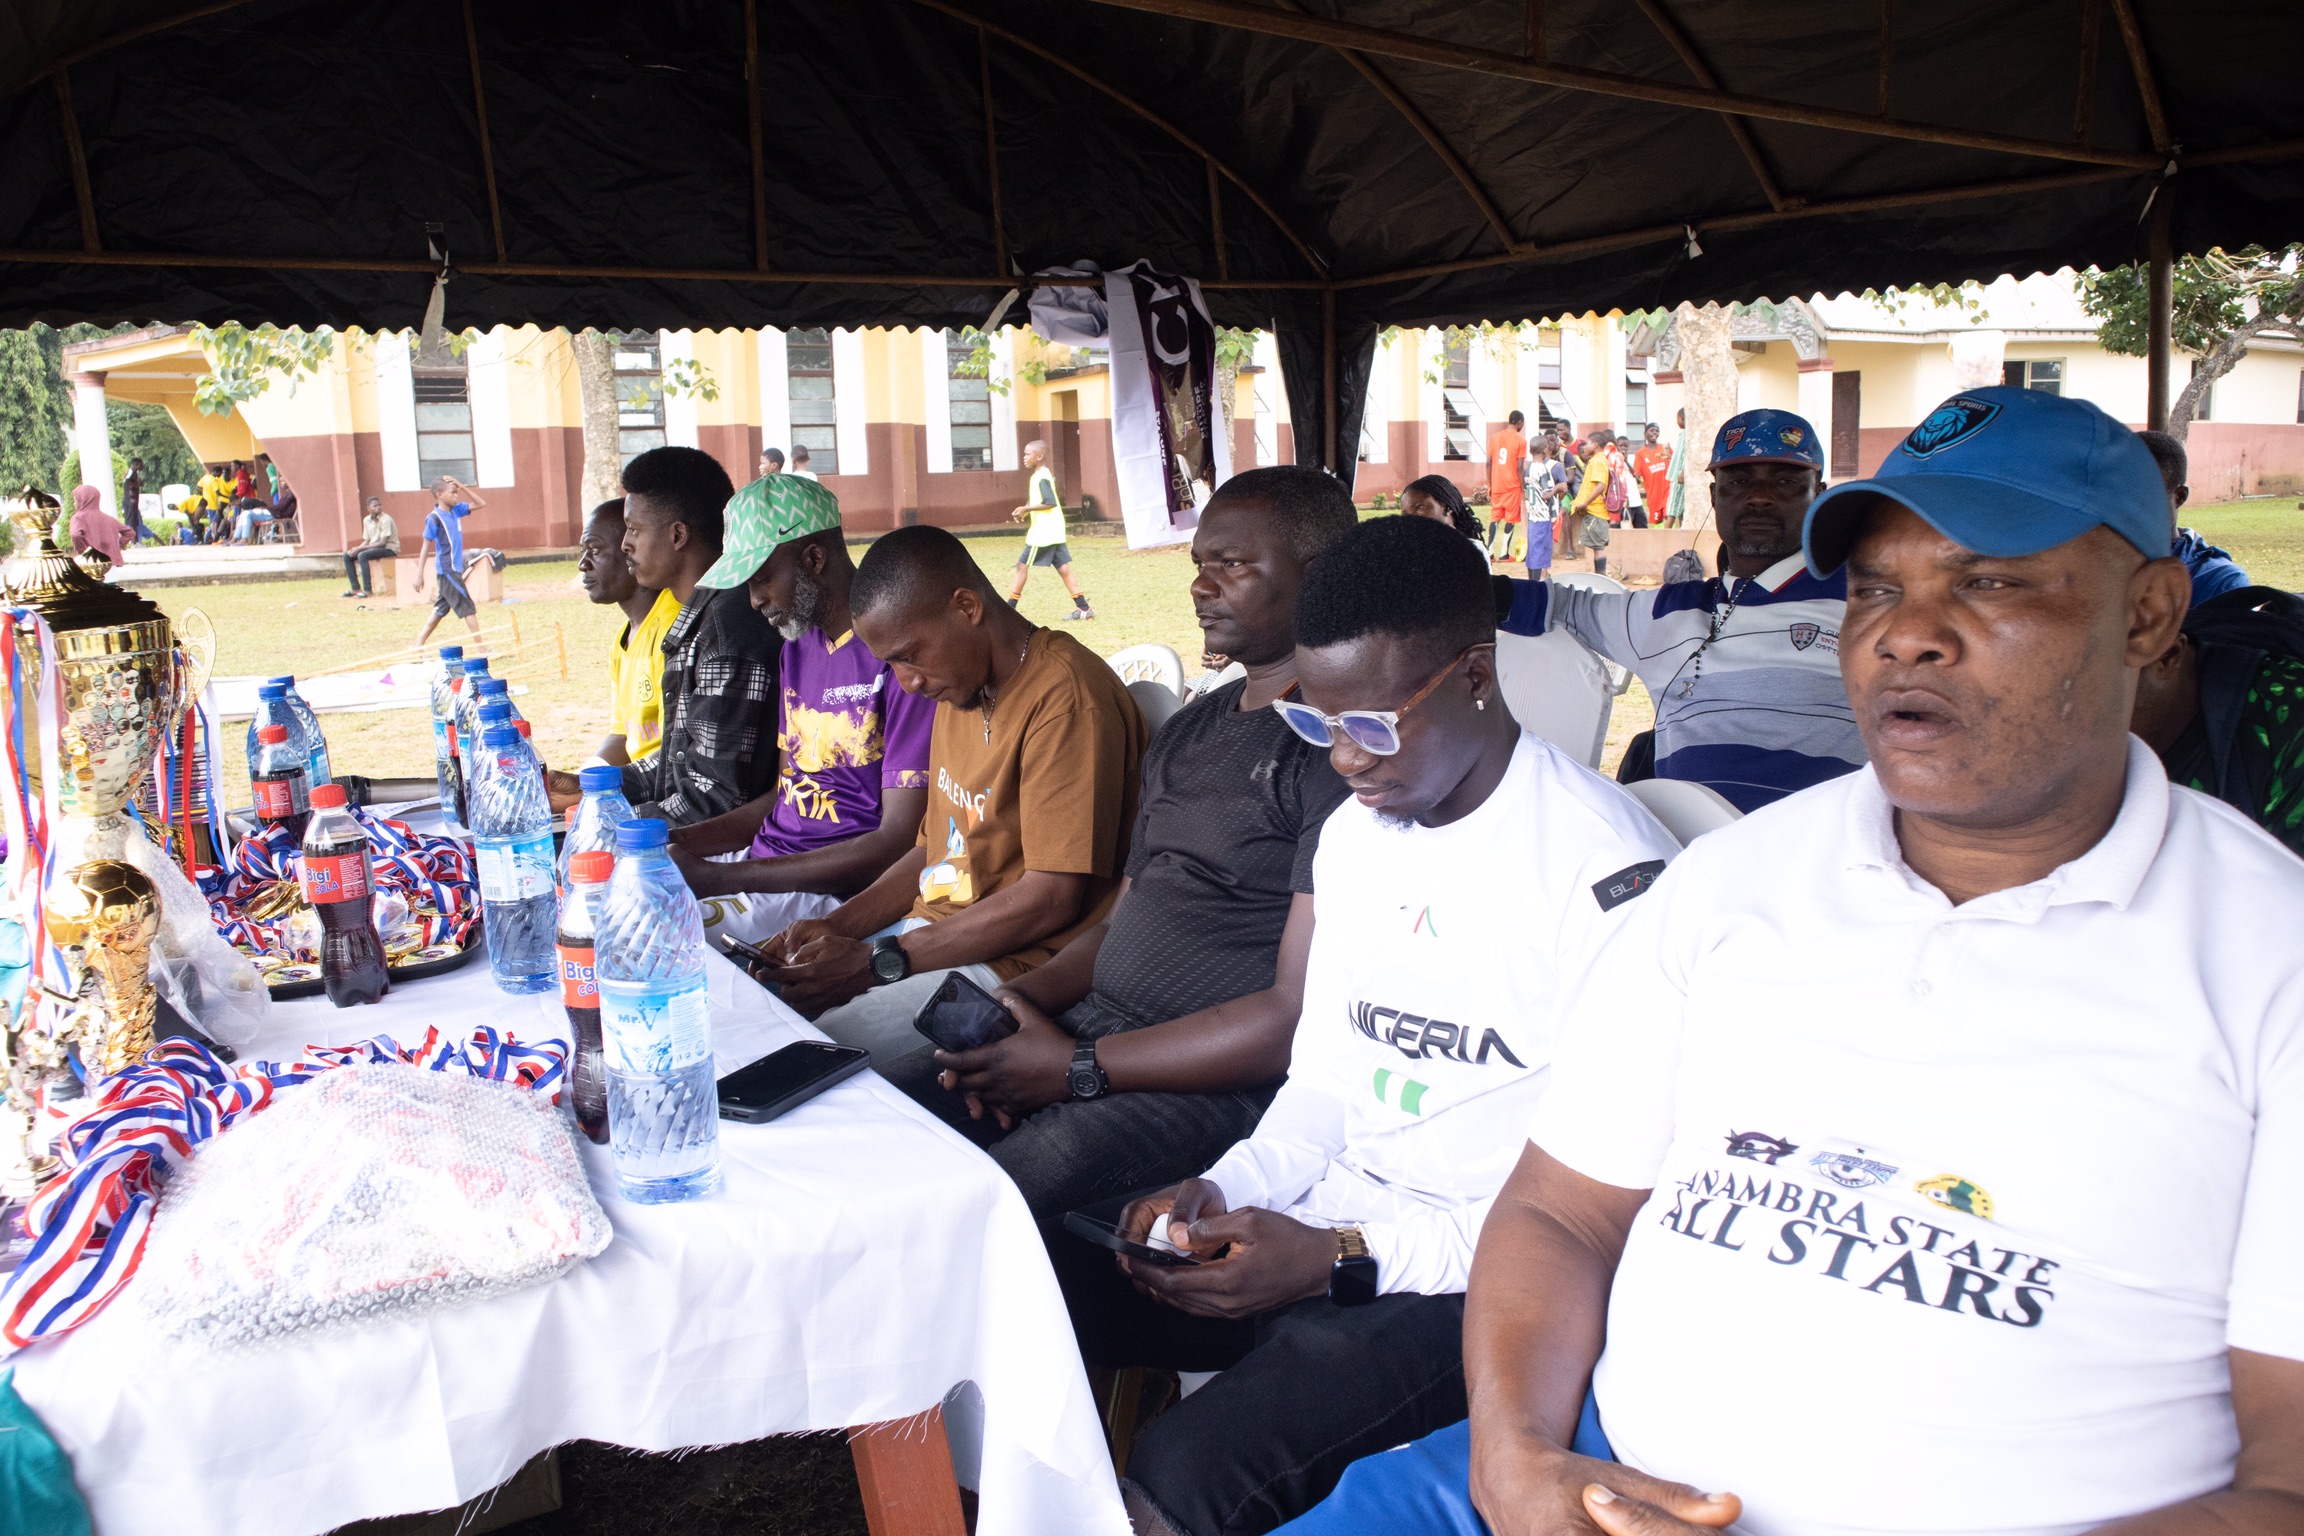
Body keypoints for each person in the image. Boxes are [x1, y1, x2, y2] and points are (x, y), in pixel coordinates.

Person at [1292, 383, 2304, 1536]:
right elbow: (1563, 1212)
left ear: (2150, 614)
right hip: (1588, 1471)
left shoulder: (2267, 961)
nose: (1908, 633)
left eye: (1988, 581)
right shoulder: (1728, 883)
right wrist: (1516, 1457)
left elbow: (2289, 1484)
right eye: (1876, 588)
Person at [1056, 514, 1679, 1536]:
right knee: (1049, 1281)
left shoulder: (1606, 876)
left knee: (1188, 1473)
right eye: (1317, 724)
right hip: (1331, 1220)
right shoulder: (1356, 837)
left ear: (1475, 676)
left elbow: (1592, 1220)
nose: (1345, 758)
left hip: (1479, 1283)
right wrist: (1228, 1187)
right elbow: (1324, 1086)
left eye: (1375, 727)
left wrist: (1342, 1256)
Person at [881, 466, 1358, 1219]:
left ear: (1321, 573)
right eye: (1198, 563)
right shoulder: (1193, 731)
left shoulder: (1340, 751)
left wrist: (1075, 1067)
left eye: (1232, 565)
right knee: (885, 1111)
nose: (1201, 586)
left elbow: (1288, 1018)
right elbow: (1116, 926)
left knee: (989, 1201)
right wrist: (1017, 1008)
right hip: (1094, 1029)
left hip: (1208, 1081)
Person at [748, 525, 1145, 1067]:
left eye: (909, 656)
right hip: (926, 940)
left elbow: (1050, 899)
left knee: (808, 1058)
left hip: (1010, 968)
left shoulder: (1065, 701)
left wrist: (874, 961)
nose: (906, 683)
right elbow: (931, 851)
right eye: (890, 664)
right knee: (764, 1013)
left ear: (966, 607)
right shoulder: (958, 690)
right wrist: (834, 929)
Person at [1495, 408, 1862, 811]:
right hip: (1681, 842)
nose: (1759, 497)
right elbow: (1559, 605)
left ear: (1818, 495)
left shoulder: (1865, 605)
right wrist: (1460, 587)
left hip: (1820, 845)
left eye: (1785, 482)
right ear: (1714, 496)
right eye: (1739, 482)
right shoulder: (1666, 611)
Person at [663, 475, 935, 946]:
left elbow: (898, 840)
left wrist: (721, 879)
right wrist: (675, 842)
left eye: (762, 578)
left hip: (831, 889)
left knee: (667, 938)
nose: (754, 601)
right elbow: (784, 793)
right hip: (765, 865)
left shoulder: (896, 657)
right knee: (625, 906)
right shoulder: (798, 648)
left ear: (813, 559)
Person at [548, 448, 781, 827]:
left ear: (677, 535)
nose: (626, 544)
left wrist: (606, 822)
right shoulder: (698, 618)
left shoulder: (725, 633)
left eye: (634, 529)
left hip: (725, 845)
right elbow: (681, 760)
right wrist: (591, 789)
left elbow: (716, 798)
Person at [576, 497, 676, 767]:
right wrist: (588, 776)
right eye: (582, 551)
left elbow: (675, 751)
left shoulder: (674, 629)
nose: (583, 564)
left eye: (594, 549)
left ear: (631, 550)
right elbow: (622, 733)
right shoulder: (623, 639)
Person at [2135, 428, 2251, 605]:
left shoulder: (2219, 581)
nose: (2128, 506)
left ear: (2179, 497)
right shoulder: (2098, 566)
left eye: (2146, 494)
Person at [1008, 438, 1095, 620]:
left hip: (1043, 533)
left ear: (1039, 456)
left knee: (1021, 565)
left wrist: (1026, 508)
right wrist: (1025, 510)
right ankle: (1084, 609)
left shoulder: (1041, 477)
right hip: (1053, 530)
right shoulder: (1040, 475)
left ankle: (1009, 610)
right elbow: (1038, 499)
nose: (1024, 457)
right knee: (1063, 569)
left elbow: (1050, 502)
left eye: (1027, 454)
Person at [411, 475, 486, 648]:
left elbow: (481, 503)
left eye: (457, 492)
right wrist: (419, 574)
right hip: (448, 570)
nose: (456, 495)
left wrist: (462, 486)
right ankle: (482, 648)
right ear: (439, 495)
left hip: (454, 569)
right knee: (467, 607)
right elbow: (425, 546)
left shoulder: (456, 510)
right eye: (452, 492)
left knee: (440, 609)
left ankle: (417, 644)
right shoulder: (434, 518)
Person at [1486, 411, 1528, 565]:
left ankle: (1489, 553)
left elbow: (1488, 463)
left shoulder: (1495, 437)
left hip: (1497, 485)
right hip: (1512, 485)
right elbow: (1520, 467)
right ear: (1519, 422)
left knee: (1495, 518)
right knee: (1511, 519)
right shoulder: (1521, 440)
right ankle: (1504, 554)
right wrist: (1523, 489)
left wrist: (1490, 484)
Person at [1401, 474, 1485, 546]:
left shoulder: (1471, 549)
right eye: (1405, 514)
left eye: (1420, 507)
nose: (1411, 518)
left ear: (1447, 507)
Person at [340, 496, 399, 597]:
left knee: (363, 555)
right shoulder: (366, 520)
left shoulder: (386, 520)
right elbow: (367, 540)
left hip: (389, 548)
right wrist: (356, 549)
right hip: (374, 548)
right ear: (368, 508)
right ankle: (355, 588)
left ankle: (367, 590)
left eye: (379, 505)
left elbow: (382, 543)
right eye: (375, 506)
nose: (378, 507)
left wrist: (360, 549)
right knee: (347, 556)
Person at [66, 484, 123, 567]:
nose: (74, 503)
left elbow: (75, 534)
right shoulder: (108, 518)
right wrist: (118, 545)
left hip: (91, 562)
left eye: (76, 500)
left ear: (83, 501)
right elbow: (129, 532)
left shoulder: (79, 517)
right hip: (110, 563)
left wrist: (82, 551)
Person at [1630, 422, 1672, 530]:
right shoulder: (1640, 453)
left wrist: (1670, 457)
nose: (1655, 433)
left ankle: (1669, 537)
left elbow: (1674, 462)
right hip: (1653, 493)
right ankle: (1661, 539)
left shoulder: (1665, 448)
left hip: (1667, 489)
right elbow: (1637, 472)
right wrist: (1638, 477)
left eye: (1657, 431)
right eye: (1652, 430)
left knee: (1668, 515)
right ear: (1645, 434)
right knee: (1657, 521)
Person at [119, 456, 146, 544]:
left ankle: (136, 541)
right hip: (129, 501)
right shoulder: (130, 472)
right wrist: (137, 484)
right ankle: (132, 542)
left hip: (133, 502)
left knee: (134, 521)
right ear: (136, 464)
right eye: (141, 464)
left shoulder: (134, 473)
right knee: (131, 522)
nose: (142, 466)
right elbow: (126, 482)